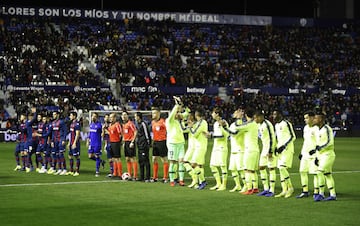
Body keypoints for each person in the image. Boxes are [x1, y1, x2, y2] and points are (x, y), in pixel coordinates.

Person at [311, 111, 337, 201]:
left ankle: (321, 193)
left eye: (315, 118)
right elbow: (318, 145)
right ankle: (333, 195)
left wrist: (320, 148)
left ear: (321, 119)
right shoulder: (317, 130)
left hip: (328, 154)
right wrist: (316, 156)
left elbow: (330, 142)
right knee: (328, 174)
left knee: (319, 172)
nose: (314, 120)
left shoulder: (327, 129)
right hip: (321, 155)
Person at [272, 110, 296, 198]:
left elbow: (293, 136)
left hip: (287, 149)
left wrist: (284, 146)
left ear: (280, 115)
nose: (274, 116)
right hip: (279, 150)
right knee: (280, 169)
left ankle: (290, 188)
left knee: (282, 167)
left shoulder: (286, 123)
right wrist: (276, 147)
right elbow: (278, 138)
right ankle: (284, 190)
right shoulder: (276, 125)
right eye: (273, 114)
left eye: (275, 114)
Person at [254, 110, 277, 197]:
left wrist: (271, 150)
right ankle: (266, 188)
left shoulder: (267, 124)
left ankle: (272, 190)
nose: (255, 119)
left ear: (260, 117)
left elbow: (272, 137)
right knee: (261, 167)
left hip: (270, 149)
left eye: (256, 118)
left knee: (271, 168)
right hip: (264, 148)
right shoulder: (259, 125)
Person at [296, 111, 319, 198]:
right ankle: (305, 191)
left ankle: (316, 192)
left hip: (313, 155)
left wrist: (316, 153)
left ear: (312, 118)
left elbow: (319, 142)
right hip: (305, 154)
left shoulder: (317, 129)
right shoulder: (305, 128)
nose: (305, 120)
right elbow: (305, 142)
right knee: (302, 171)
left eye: (306, 118)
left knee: (315, 173)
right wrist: (302, 152)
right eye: (305, 118)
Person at [223, 107, 245, 193]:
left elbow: (235, 134)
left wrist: (225, 128)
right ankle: (238, 185)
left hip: (240, 149)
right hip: (234, 149)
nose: (234, 113)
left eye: (236, 112)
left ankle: (246, 185)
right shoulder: (233, 124)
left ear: (241, 113)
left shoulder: (242, 123)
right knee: (233, 169)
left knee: (241, 169)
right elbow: (230, 134)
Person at [166, 96, 186, 187]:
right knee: (173, 162)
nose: (178, 114)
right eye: (176, 112)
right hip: (172, 144)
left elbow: (186, 113)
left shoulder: (179, 122)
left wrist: (182, 105)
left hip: (181, 143)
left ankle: (181, 180)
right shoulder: (169, 121)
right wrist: (176, 105)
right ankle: (172, 180)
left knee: (181, 161)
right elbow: (172, 114)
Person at [208, 107, 229, 191]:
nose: (212, 114)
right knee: (212, 165)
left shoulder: (223, 123)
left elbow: (224, 136)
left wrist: (211, 136)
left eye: (213, 113)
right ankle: (218, 183)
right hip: (216, 147)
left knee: (223, 166)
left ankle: (223, 185)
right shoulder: (215, 124)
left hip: (222, 147)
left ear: (217, 114)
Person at [151, 106, 169, 183]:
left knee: (164, 159)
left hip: (162, 142)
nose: (153, 115)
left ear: (158, 113)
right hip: (155, 142)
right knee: (154, 159)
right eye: (152, 113)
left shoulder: (163, 122)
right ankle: (155, 177)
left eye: (154, 113)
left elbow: (168, 130)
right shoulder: (153, 122)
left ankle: (165, 177)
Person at [47, 110, 67, 175]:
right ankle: (59, 169)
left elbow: (65, 131)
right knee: (56, 155)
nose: (54, 116)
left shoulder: (61, 122)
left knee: (61, 154)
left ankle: (64, 169)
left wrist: (64, 139)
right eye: (53, 114)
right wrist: (52, 141)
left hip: (60, 139)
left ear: (58, 115)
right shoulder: (53, 123)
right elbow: (52, 133)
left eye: (55, 114)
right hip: (55, 140)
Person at [134, 112, 152, 182]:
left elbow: (147, 134)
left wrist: (148, 143)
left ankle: (147, 177)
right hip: (139, 145)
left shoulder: (143, 124)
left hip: (144, 145)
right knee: (140, 161)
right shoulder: (137, 124)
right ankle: (141, 176)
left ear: (138, 117)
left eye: (135, 116)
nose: (135, 118)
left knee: (146, 160)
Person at [87, 112, 105, 177]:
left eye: (94, 116)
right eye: (92, 116)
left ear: (97, 117)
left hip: (97, 143)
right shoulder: (91, 124)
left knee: (97, 156)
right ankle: (101, 161)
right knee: (90, 156)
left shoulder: (99, 125)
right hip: (91, 143)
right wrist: (88, 140)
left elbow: (102, 134)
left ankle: (97, 171)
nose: (93, 117)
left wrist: (103, 131)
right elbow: (90, 133)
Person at [121, 111, 138, 180]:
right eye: (122, 115)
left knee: (133, 158)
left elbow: (135, 132)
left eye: (125, 115)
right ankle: (129, 174)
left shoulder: (130, 124)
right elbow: (124, 134)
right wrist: (124, 142)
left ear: (127, 116)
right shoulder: (123, 125)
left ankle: (135, 176)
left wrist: (132, 142)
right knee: (127, 159)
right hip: (126, 142)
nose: (124, 116)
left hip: (131, 142)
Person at [107, 113, 123, 179]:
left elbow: (121, 133)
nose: (110, 119)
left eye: (112, 117)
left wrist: (119, 142)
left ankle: (120, 174)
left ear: (115, 118)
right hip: (111, 142)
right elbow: (111, 133)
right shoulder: (110, 125)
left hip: (116, 143)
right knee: (113, 159)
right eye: (110, 117)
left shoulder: (117, 125)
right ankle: (115, 173)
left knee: (117, 158)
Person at [66, 111, 81, 176]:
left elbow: (77, 134)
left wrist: (74, 143)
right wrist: (69, 142)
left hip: (75, 143)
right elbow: (70, 134)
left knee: (76, 156)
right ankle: (71, 170)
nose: (70, 117)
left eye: (71, 115)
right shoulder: (71, 124)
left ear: (74, 116)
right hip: (71, 142)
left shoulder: (77, 124)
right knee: (70, 156)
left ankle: (77, 171)